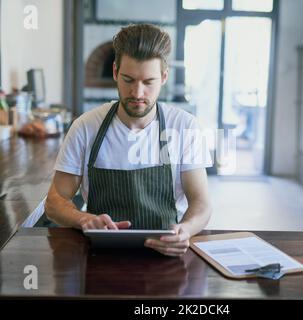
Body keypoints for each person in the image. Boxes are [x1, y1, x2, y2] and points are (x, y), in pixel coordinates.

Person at [45, 24, 212, 257]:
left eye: (148, 82)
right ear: (115, 72)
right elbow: (54, 202)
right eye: (128, 80)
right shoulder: (85, 127)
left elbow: (201, 203)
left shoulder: (184, 127)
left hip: (167, 255)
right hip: (101, 256)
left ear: (163, 77)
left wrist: (185, 230)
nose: (137, 93)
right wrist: (83, 219)